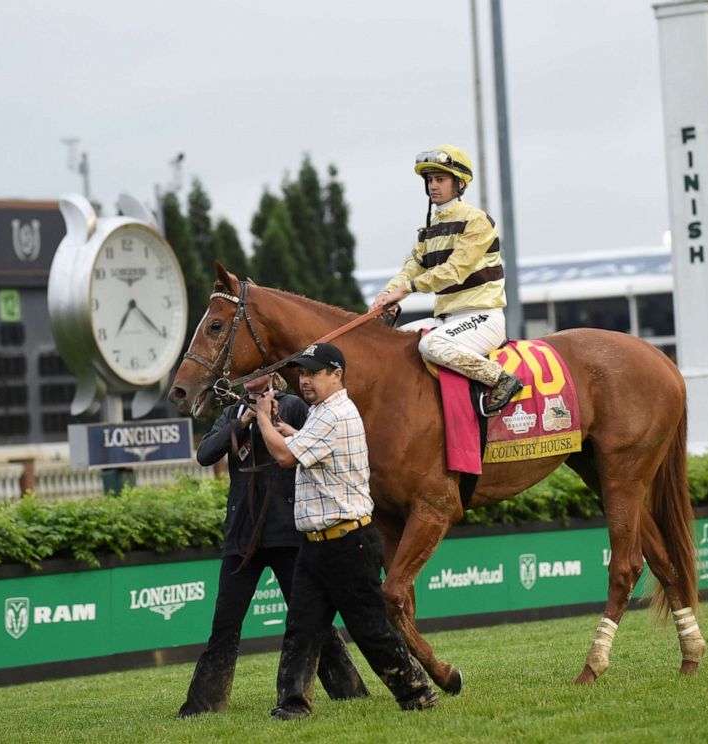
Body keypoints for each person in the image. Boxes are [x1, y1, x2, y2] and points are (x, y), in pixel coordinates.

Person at [255, 342, 439, 719]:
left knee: (370, 629)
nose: (304, 380)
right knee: (302, 627)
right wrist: (285, 427)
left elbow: (285, 456)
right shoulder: (324, 412)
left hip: (347, 543)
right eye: (302, 373)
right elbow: (303, 445)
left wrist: (261, 419)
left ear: (336, 374)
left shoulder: (332, 414)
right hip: (319, 543)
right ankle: (292, 706)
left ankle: (417, 692)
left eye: (313, 373)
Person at [178, 371, 368, 718]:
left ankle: (349, 691)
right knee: (224, 623)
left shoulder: (294, 406)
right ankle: (204, 705)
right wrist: (248, 417)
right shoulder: (232, 413)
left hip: (286, 534)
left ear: (271, 373)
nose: (249, 377)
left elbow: (309, 447)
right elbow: (205, 454)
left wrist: (272, 416)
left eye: (257, 370)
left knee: (310, 622)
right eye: (243, 373)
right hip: (242, 536)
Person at [369, 144, 522, 415]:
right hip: (445, 319)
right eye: (429, 180)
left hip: (482, 318)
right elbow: (411, 268)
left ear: (459, 184)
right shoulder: (429, 231)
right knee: (390, 342)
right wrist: (385, 297)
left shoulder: (477, 221)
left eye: (440, 179)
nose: (433, 186)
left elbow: (454, 271)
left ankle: (500, 378)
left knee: (432, 344)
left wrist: (406, 290)